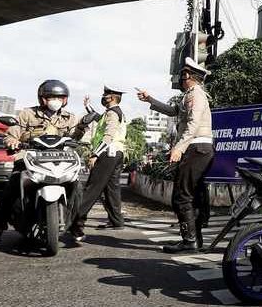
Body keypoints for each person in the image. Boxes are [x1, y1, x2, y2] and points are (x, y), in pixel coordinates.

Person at [0, 80, 96, 250]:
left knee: (77, 188)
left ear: (65, 100)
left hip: (59, 159)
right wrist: (13, 141)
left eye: (60, 97)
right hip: (29, 159)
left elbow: (75, 137)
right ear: (42, 98)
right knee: (10, 190)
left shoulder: (70, 117)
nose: (56, 100)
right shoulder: (27, 114)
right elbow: (12, 133)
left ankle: (76, 226)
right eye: (51, 97)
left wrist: (82, 126)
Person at [137, 57, 215, 253]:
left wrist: (179, 147)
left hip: (196, 148)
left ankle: (189, 241)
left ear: (189, 76)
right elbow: (174, 111)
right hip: (198, 148)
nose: (180, 78)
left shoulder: (196, 94)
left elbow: (193, 124)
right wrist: (150, 100)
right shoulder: (190, 94)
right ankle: (194, 240)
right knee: (192, 196)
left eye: (183, 74)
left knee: (181, 196)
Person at [66, 86, 127, 241]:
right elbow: (97, 118)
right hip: (117, 153)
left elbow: (108, 136)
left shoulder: (113, 113)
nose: (103, 97)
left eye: (105, 95)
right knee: (111, 189)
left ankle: (75, 222)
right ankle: (117, 221)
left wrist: (95, 154)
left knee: (92, 189)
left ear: (112, 97)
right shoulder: (113, 112)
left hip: (108, 153)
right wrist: (88, 107)